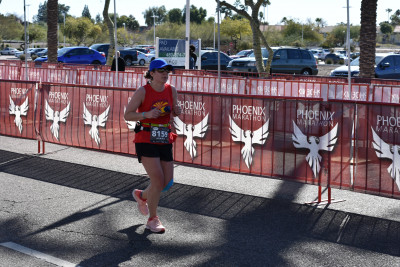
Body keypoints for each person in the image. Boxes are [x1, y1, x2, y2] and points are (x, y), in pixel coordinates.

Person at [124, 58, 182, 233]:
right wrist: (147, 114)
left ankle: (141, 196)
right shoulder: (143, 91)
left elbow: (174, 111)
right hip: (146, 136)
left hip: (164, 136)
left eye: (167, 71)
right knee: (157, 180)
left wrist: (176, 111)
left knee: (167, 183)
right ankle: (152, 219)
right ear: (151, 73)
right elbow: (128, 115)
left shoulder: (171, 90)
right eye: (161, 71)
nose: (165, 74)